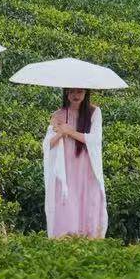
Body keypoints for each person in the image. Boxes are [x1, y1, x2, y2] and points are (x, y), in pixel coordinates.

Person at [43, 86, 106, 238]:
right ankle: (65, 241)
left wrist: (70, 131)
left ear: (86, 93)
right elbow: (47, 145)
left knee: (87, 201)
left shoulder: (94, 112)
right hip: (66, 167)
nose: (75, 95)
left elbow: (95, 139)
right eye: (71, 91)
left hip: (86, 166)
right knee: (67, 203)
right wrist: (60, 133)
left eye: (79, 92)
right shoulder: (58, 114)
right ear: (66, 93)